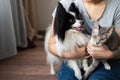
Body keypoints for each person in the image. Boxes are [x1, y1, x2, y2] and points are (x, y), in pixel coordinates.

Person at [48, 0, 120, 80]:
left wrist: (109, 54)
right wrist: (73, 54)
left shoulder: (117, 5)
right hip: (73, 60)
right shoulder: (66, 3)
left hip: (106, 60)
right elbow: (51, 45)